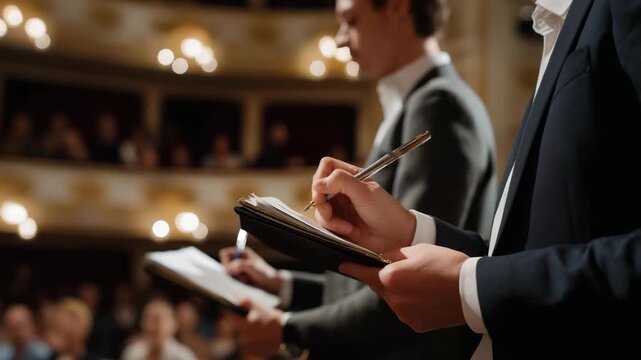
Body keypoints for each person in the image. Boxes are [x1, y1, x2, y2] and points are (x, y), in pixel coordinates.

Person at [309, 0, 641, 358]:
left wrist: (474, 288)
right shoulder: (561, 20)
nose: (342, 38)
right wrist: (411, 231)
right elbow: (529, 250)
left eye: (352, 20)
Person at [220, 0, 497, 358]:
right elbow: (374, 282)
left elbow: (411, 282)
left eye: (351, 20)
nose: (339, 40)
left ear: (398, 7)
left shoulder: (439, 104)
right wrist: (282, 284)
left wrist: (287, 328)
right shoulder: (418, 103)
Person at [121, 299, 196, 360]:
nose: (149, 326)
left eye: (156, 320)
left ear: (172, 326)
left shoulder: (183, 357)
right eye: (146, 319)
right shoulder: (132, 352)